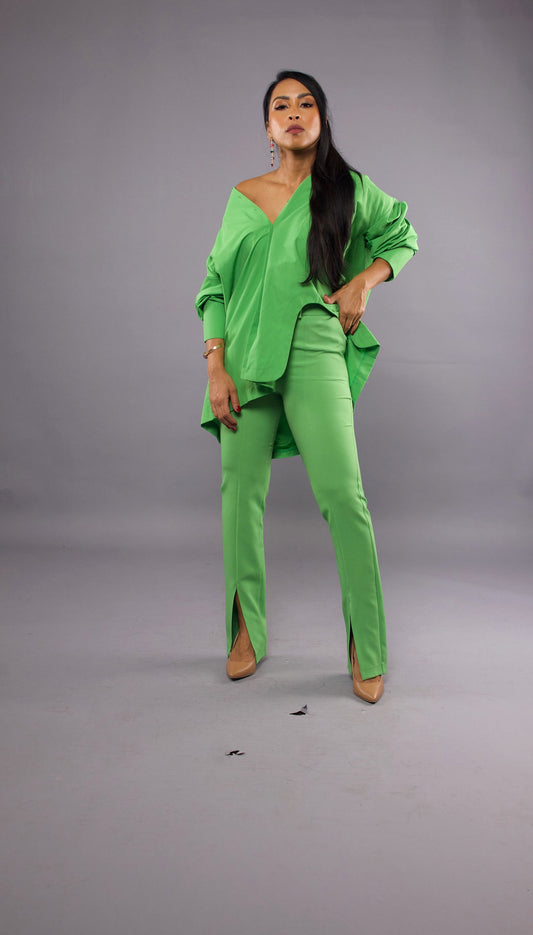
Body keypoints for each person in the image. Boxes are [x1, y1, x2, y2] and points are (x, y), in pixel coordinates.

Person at [195, 70, 418, 703]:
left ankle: (367, 646)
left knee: (343, 495)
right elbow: (215, 285)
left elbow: (402, 235)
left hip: (314, 346)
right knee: (240, 494)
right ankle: (246, 632)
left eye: (306, 103)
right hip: (242, 357)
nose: (294, 112)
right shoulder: (242, 197)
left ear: (320, 119)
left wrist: (363, 282)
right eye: (281, 106)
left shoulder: (347, 190)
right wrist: (215, 365)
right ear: (267, 128)